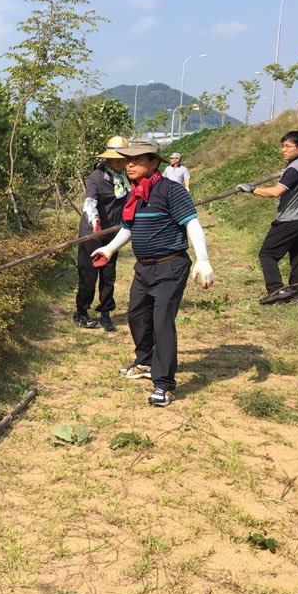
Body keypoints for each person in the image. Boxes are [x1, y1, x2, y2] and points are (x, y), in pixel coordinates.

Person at [91, 138, 214, 407]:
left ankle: (164, 384)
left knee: (161, 323)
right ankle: (144, 362)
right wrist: (109, 250)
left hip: (170, 266)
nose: (130, 165)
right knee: (137, 316)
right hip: (143, 267)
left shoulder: (171, 191)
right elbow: (128, 228)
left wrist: (202, 259)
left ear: (154, 162)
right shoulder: (133, 194)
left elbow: (192, 223)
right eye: (127, 160)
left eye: (137, 160)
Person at [237, 130, 298, 305]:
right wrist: (285, 173)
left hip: (290, 220)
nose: (283, 150)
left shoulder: (294, 169)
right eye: (282, 146)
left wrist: (252, 189)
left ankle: (276, 291)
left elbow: (276, 192)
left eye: (288, 146)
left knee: (267, 254)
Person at [73, 136, 130, 331]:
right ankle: (81, 312)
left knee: (108, 275)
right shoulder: (96, 177)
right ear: (108, 159)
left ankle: (106, 313)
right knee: (88, 275)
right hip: (92, 234)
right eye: (116, 158)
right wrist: (94, 219)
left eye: (123, 158)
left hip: (113, 234)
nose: (120, 162)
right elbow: (90, 202)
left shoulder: (126, 178)